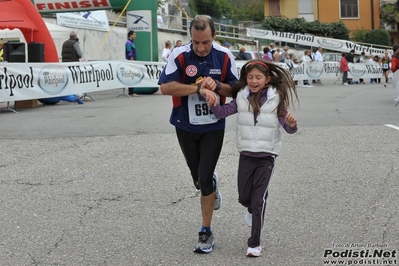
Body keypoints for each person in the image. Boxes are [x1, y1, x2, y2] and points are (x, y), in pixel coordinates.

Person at [158, 15, 239, 254]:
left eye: (205, 42)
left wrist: (217, 85)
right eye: (196, 42)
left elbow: (236, 88)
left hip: (213, 125)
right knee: (197, 179)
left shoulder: (224, 56)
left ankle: (205, 232)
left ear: (214, 36)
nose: (201, 48)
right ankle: (210, 185)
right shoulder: (180, 54)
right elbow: (165, 87)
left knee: (204, 178)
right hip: (184, 124)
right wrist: (198, 88)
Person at [207, 59, 298, 257]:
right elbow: (222, 112)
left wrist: (291, 124)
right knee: (244, 197)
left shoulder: (276, 99)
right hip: (246, 155)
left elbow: (288, 128)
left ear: (267, 79)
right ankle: (250, 208)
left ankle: (254, 243)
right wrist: (213, 102)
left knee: (259, 201)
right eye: (250, 77)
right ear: (245, 79)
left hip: (267, 156)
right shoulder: (240, 97)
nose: (254, 81)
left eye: (258, 77)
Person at [125, 30, 138, 97]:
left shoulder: (132, 43)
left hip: (133, 61)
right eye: (134, 34)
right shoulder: (128, 43)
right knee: (131, 76)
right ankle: (131, 91)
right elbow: (129, 51)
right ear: (130, 35)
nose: (135, 36)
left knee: (132, 76)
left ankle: (132, 91)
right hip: (131, 61)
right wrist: (132, 59)